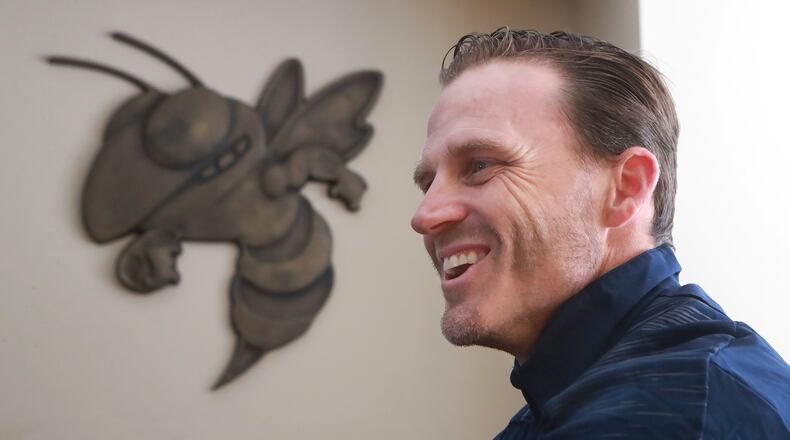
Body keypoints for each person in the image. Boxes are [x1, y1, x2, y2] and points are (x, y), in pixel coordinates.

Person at [410, 28, 790, 439]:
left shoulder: (673, 412)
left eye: (480, 165)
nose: (425, 215)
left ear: (625, 188)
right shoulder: (564, 404)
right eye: (428, 183)